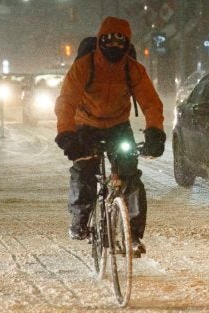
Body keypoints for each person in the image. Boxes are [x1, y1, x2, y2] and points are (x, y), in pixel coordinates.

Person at [54, 16, 166, 256]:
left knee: (131, 179)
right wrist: (66, 133)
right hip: (86, 125)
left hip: (118, 126)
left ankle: (133, 235)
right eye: (109, 41)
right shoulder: (84, 66)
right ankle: (80, 221)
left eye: (120, 42)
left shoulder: (132, 69)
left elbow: (151, 102)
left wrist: (155, 131)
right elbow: (66, 100)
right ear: (100, 41)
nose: (114, 46)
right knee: (84, 170)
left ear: (127, 44)